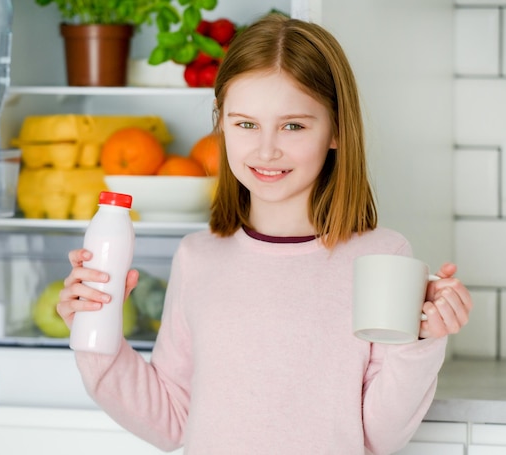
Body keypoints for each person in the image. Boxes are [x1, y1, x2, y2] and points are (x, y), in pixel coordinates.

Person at [58, 13, 473, 455]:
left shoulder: (383, 257)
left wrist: (424, 341)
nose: (266, 149)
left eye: (293, 125)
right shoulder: (198, 257)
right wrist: (94, 334)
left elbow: (379, 436)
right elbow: (171, 421)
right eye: (246, 124)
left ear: (335, 130)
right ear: (221, 122)